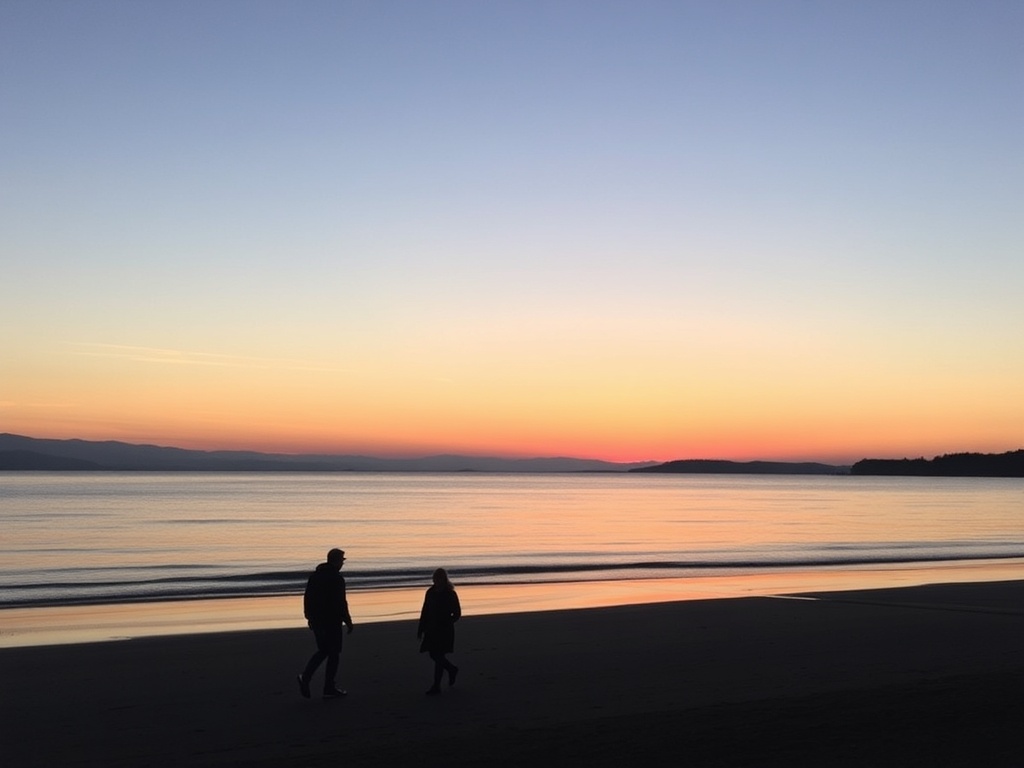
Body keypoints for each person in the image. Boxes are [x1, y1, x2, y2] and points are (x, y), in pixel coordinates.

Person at [297, 548, 353, 699]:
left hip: (317, 620)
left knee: (324, 650)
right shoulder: (336, 578)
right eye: (342, 560)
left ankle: (309, 678)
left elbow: (307, 598)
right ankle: (326, 686)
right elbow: (341, 602)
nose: (342, 563)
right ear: (336, 561)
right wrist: (348, 620)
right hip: (331, 620)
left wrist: (308, 617)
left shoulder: (315, 576)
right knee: (333, 652)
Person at [417, 567, 461, 695]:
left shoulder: (450, 593)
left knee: (438, 655)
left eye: (439, 578)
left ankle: (436, 686)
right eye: (435, 578)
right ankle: (451, 669)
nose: (436, 580)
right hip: (431, 629)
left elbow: (457, 613)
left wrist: (448, 622)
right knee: (434, 655)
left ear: (444, 579)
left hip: (444, 630)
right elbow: (425, 611)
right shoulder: (430, 592)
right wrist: (420, 628)